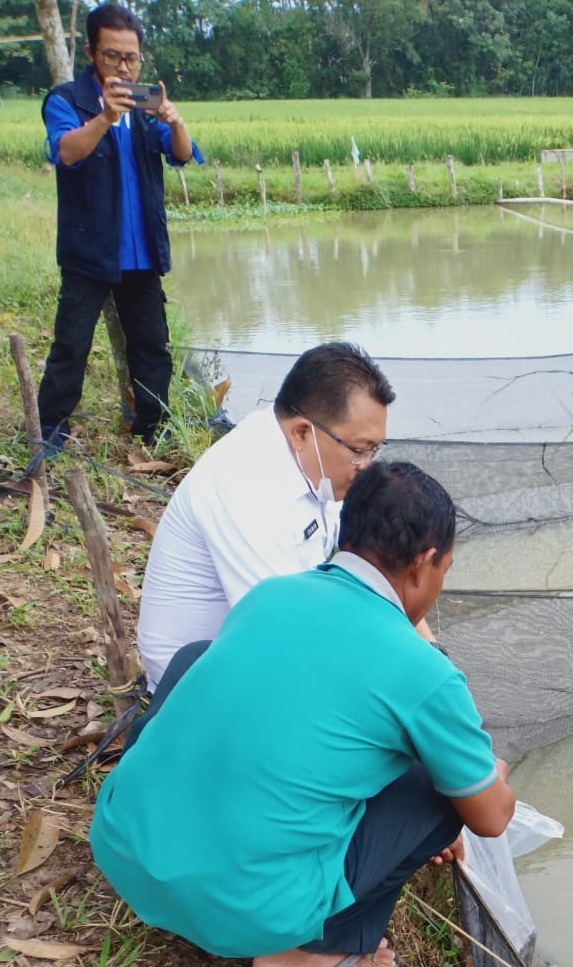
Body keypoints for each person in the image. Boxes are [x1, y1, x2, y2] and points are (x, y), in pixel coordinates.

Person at [91, 460, 517, 965]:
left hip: (125, 852)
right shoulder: (427, 674)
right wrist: (493, 776)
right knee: (444, 791)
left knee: (193, 659)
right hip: (251, 913)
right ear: (424, 563)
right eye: (444, 571)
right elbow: (490, 818)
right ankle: (320, 952)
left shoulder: (270, 594)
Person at [137, 342, 409, 693]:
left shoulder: (318, 465)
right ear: (301, 432)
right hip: (199, 684)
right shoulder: (244, 483)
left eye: (375, 449)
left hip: (257, 647)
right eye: (359, 450)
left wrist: (425, 650)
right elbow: (287, 635)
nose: (366, 464)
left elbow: (371, 562)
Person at [38, 3, 202, 449]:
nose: (123, 66)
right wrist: (105, 117)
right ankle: (49, 431)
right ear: (92, 52)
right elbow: (67, 152)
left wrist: (175, 119)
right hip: (89, 249)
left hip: (142, 249)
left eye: (131, 57)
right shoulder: (66, 101)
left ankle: (154, 428)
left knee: (152, 347)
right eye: (112, 56)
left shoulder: (148, 106)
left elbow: (183, 154)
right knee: (71, 345)